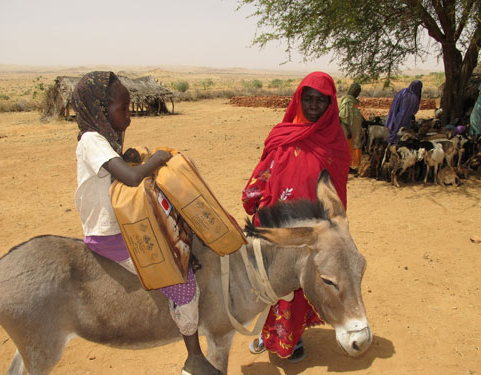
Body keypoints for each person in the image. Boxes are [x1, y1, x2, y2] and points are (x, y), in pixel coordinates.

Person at [72, 71, 221, 375]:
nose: (129, 117)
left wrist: (126, 155)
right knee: (184, 284)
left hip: (123, 224)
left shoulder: (102, 139)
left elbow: (116, 167)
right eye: (122, 110)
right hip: (110, 234)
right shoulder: (91, 140)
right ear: (100, 111)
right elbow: (131, 177)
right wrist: (157, 159)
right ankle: (194, 358)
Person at [242, 72, 351, 362]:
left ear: (330, 104)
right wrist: (253, 197)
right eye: (308, 98)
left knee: (300, 283)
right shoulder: (283, 133)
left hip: (309, 231)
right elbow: (265, 168)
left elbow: (336, 190)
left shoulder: (336, 143)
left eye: (321, 100)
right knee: (267, 281)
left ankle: (293, 338)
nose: (314, 105)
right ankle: (267, 334)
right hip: (274, 224)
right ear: (298, 99)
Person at [339, 83, 364, 172]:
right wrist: (349, 130)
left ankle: (352, 166)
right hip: (348, 131)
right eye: (357, 91)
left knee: (355, 146)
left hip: (355, 131)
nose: (358, 93)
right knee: (348, 147)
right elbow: (343, 116)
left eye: (359, 92)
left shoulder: (353, 101)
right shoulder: (347, 100)